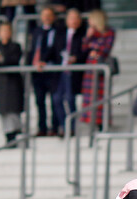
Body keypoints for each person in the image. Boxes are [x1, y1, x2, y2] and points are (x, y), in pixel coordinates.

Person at [0, 22, 24, 145]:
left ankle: (15, 132)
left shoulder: (15, 46)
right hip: (1, 83)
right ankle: (7, 134)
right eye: (3, 31)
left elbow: (13, 60)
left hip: (13, 82)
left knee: (14, 109)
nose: (5, 33)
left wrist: (0, 60)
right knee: (3, 110)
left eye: (7, 30)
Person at [28, 7, 61, 137]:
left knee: (54, 100)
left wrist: (44, 61)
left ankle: (54, 127)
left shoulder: (58, 31)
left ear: (53, 17)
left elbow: (54, 49)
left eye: (49, 15)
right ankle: (42, 127)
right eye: (44, 15)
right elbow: (33, 49)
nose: (46, 17)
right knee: (39, 101)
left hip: (51, 70)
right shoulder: (36, 31)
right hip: (37, 72)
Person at [80, 9, 115, 131]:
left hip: (101, 67)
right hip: (91, 67)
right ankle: (90, 120)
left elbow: (105, 49)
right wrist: (88, 38)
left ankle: (102, 122)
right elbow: (84, 48)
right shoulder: (91, 33)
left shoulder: (109, 32)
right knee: (89, 96)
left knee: (101, 96)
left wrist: (94, 48)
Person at [53, 8, 85, 136]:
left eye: (76, 18)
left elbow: (85, 53)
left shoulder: (83, 35)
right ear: (66, 20)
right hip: (60, 72)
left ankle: (72, 127)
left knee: (70, 99)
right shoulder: (60, 34)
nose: (74, 21)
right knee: (56, 99)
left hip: (73, 72)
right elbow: (53, 51)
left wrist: (76, 58)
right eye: (71, 18)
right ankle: (63, 126)